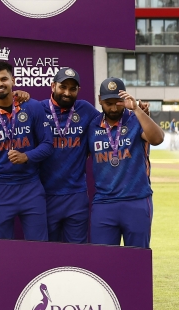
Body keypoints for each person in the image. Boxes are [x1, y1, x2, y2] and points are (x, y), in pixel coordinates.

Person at [0, 60, 54, 241]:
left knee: (39, 246)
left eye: (4, 79)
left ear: (13, 80)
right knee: (0, 248)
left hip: (30, 187)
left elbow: (48, 145)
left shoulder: (33, 107)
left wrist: (26, 156)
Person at [86, 78, 163, 248]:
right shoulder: (92, 126)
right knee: (102, 259)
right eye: (108, 103)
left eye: (118, 102)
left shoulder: (135, 119)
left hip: (136, 201)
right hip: (104, 203)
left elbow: (157, 139)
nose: (114, 108)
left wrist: (137, 109)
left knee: (137, 258)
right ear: (100, 100)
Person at [38, 68, 100, 243]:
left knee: (77, 251)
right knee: (48, 251)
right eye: (63, 87)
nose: (67, 93)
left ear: (78, 90)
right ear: (53, 86)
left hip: (76, 195)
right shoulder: (38, 109)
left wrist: (138, 112)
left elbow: (109, 124)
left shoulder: (85, 109)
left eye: (73, 89)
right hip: (45, 194)